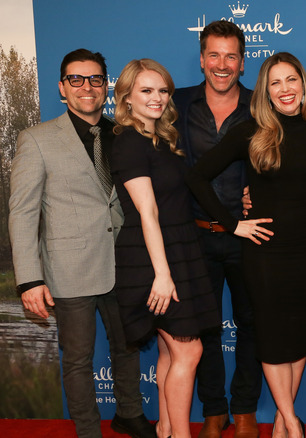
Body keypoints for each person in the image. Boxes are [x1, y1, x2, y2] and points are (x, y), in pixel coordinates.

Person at [9, 48, 155, 438]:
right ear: (62, 87)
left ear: (106, 86)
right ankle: (88, 431)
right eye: (76, 79)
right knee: (77, 359)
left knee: (128, 348)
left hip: (124, 262)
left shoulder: (124, 134)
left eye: (94, 79)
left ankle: (129, 414)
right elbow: (22, 212)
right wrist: (28, 279)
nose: (86, 87)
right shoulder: (37, 139)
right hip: (69, 269)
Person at [187, 52, 306, 438]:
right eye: (276, 83)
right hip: (264, 250)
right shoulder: (249, 131)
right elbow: (198, 177)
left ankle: (284, 421)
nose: (285, 90)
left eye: (292, 80)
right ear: (265, 91)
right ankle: (293, 424)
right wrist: (233, 223)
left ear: (303, 84)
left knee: (300, 335)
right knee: (270, 337)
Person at [111, 58, 220, 438]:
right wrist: (162, 274)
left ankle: (167, 429)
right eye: (146, 90)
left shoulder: (159, 138)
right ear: (125, 97)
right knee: (189, 352)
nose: (157, 98)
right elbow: (147, 212)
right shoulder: (127, 142)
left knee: (169, 352)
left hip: (177, 247)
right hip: (150, 257)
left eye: (162, 90)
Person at [174, 20, 263, 438]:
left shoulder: (262, 106)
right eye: (214, 55)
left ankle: (244, 408)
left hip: (249, 236)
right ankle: (214, 409)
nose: (222, 64)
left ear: (243, 62)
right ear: (202, 59)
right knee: (203, 327)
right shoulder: (177, 104)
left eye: (231, 56)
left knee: (252, 324)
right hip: (195, 234)